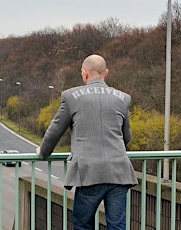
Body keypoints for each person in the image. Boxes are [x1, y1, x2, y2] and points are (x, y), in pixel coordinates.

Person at [36, 54, 138, 229]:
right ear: (106, 73)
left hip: (89, 172)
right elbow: (126, 137)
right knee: (117, 225)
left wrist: (43, 152)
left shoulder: (71, 97)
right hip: (119, 171)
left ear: (84, 74)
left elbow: (54, 131)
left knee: (83, 225)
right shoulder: (123, 98)